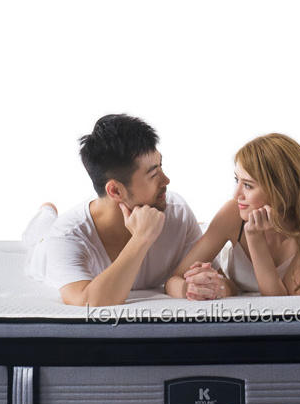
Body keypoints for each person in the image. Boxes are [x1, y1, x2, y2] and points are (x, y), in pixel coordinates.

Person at [23, 114, 203, 307]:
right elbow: (87, 302)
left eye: (161, 166)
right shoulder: (65, 235)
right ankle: (46, 211)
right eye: (153, 174)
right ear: (115, 190)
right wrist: (141, 239)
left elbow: (207, 273)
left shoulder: (178, 211)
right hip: (44, 246)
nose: (166, 180)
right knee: (43, 231)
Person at [166, 133, 300, 300]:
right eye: (237, 180)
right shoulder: (232, 213)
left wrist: (255, 238)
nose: (236, 194)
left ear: (282, 190)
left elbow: (280, 300)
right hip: (213, 244)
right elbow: (173, 280)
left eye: (248, 185)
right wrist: (189, 288)